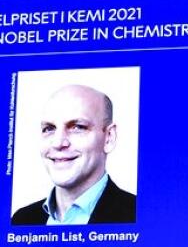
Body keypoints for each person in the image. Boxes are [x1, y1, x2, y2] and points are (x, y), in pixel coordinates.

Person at [12, 83, 136, 225]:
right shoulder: (22, 220)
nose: (58, 143)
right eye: (49, 128)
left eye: (77, 127)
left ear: (109, 137)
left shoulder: (138, 215)